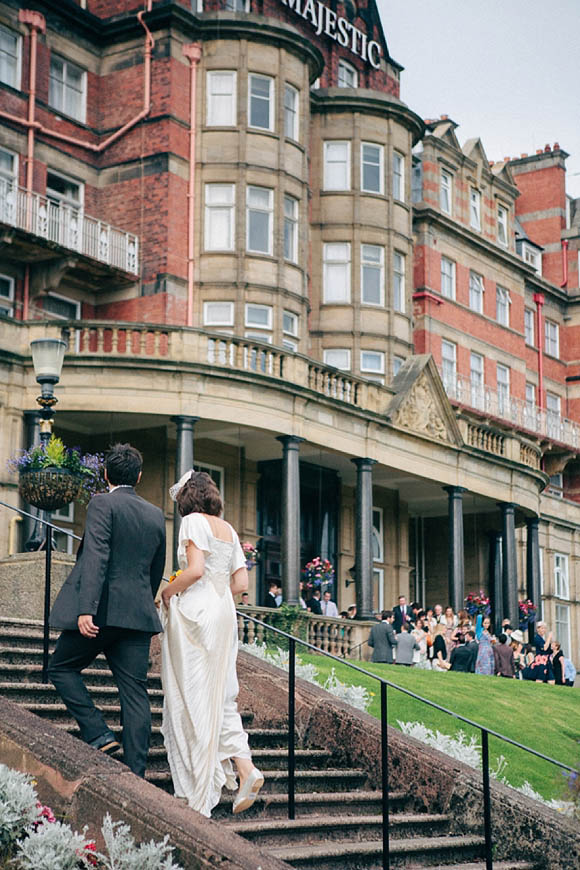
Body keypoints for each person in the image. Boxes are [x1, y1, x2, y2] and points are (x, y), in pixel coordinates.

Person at [49, 444, 166, 777]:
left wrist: (86, 609)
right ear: (139, 477)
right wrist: (143, 599)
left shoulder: (101, 503)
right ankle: (136, 772)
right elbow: (156, 569)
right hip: (138, 616)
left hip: (100, 614)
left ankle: (98, 733)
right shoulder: (156, 514)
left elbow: (95, 557)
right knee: (134, 693)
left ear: (105, 474)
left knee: (60, 668)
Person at [160, 470, 263, 817]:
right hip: (223, 612)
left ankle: (197, 782)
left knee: (193, 694)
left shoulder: (192, 522)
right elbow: (241, 582)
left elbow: (195, 570)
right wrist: (217, 596)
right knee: (221, 692)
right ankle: (245, 766)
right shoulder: (229, 530)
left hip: (197, 612)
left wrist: (168, 590)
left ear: (188, 498)